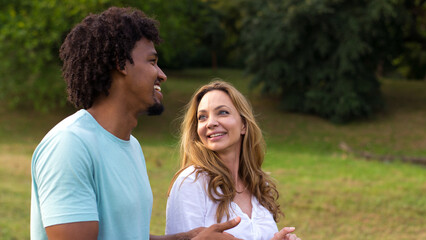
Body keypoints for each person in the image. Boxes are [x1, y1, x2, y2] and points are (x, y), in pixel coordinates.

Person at [30, 7, 241, 240]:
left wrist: (186, 238)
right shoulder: (70, 145)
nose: (162, 75)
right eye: (152, 62)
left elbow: (128, 235)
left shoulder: (132, 146)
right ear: (121, 63)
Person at [165, 81, 301, 240]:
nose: (211, 123)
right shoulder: (191, 182)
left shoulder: (259, 184)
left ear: (244, 125)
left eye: (222, 112)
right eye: (202, 117)